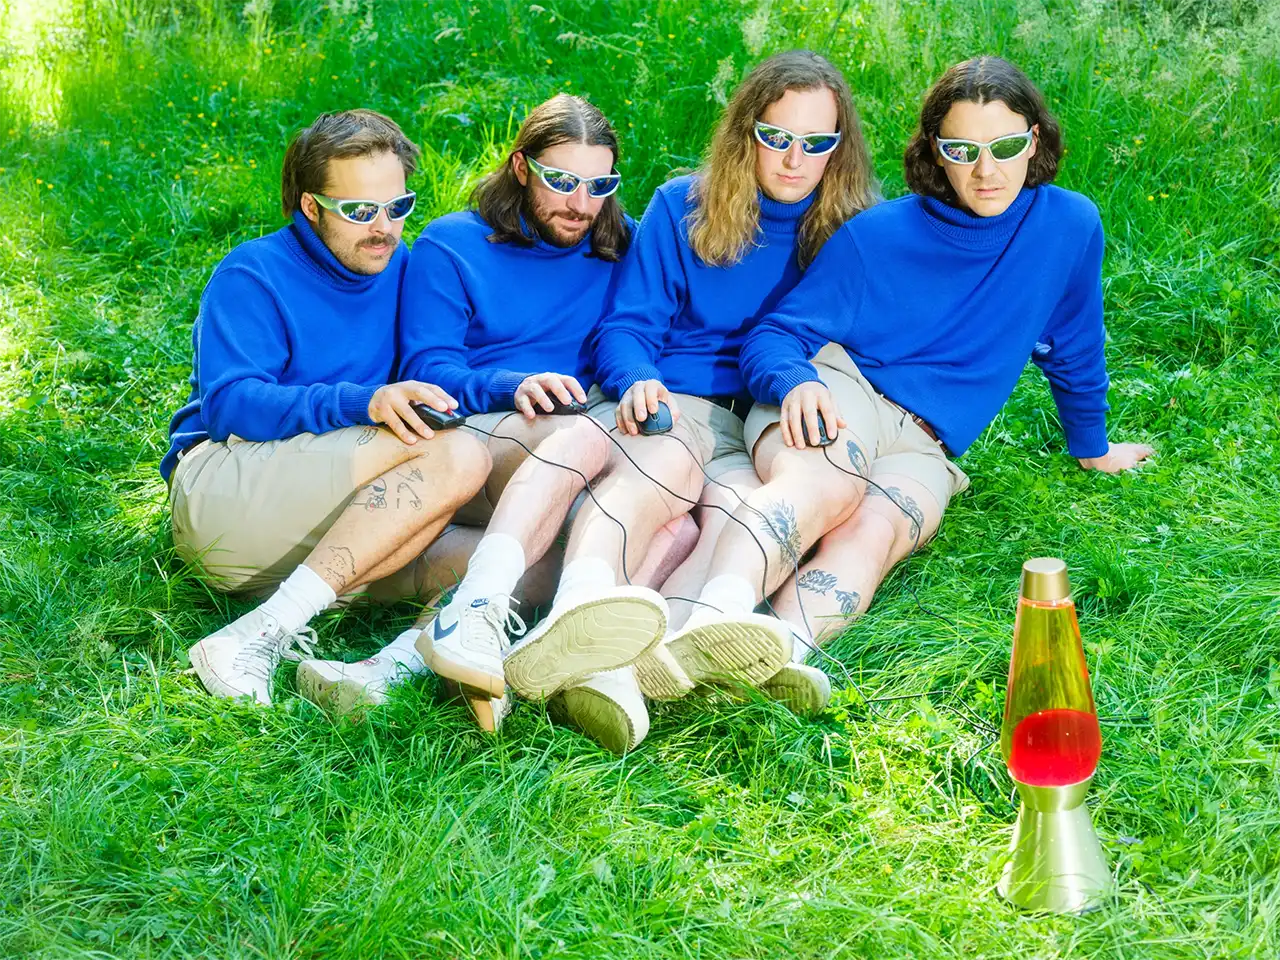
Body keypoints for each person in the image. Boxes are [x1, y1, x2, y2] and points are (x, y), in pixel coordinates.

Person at [675, 56, 1153, 714]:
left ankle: (775, 654)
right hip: (844, 391)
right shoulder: (879, 236)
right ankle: (714, 616)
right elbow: (775, 335)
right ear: (934, 151)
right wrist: (794, 382)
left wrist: (1092, 446)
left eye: (1005, 147)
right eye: (962, 150)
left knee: (876, 532)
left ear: (1034, 140)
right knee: (823, 486)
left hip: (927, 445)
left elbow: (1074, 343)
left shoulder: (1068, 227)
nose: (986, 171)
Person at [495, 50, 879, 753]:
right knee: (656, 494)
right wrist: (637, 377)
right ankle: (581, 622)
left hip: (754, 424)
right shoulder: (684, 206)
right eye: (776, 136)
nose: (795, 159)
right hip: (673, 400)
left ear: (840, 145)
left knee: (732, 523)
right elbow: (626, 328)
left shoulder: (851, 232)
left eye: (816, 141)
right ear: (745, 130)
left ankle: (644, 666)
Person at [294, 95, 696, 730]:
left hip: (576, 429)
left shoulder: (620, 245)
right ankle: (517, 638)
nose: (581, 204)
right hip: (483, 430)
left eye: (600, 186)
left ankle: (415, 661)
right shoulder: (452, 245)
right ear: (520, 168)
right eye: (562, 182)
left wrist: (636, 380)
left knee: (677, 524)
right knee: (589, 456)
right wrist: (514, 385)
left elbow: (630, 332)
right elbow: (429, 368)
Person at [166, 109, 491, 705]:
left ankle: (386, 670)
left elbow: (442, 367)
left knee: (516, 556)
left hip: (327, 520)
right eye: (361, 211)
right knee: (459, 455)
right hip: (225, 494)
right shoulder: (252, 273)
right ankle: (257, 637)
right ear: (310, 207)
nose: (384, 229)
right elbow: (232, 404)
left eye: (398, 207)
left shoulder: (404, 268)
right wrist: (363, 402)